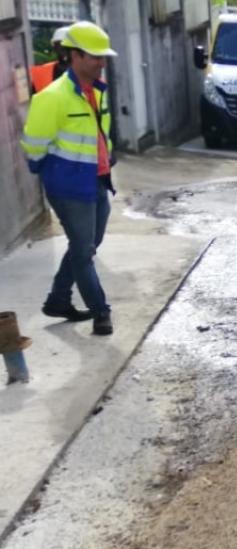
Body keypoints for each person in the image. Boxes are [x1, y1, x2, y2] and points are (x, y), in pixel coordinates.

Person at [21, 21, 119, 336]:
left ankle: (58, 299)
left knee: (88, 244)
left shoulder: (98, 91)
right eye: (95, 56)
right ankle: (100, 312)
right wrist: (53, 174)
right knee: (82, 249)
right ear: (74, 55)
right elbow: (33, 146)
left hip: (97, 179)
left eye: (103, 57)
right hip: (69, 186)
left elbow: (100, 133)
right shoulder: (52, 97)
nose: (101, 63)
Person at [30, 26, 71, 94]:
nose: (63, 49)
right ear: (54, 47)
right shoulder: (40, 72)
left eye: (66, 46)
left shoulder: (87, 71)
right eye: (60, 44)